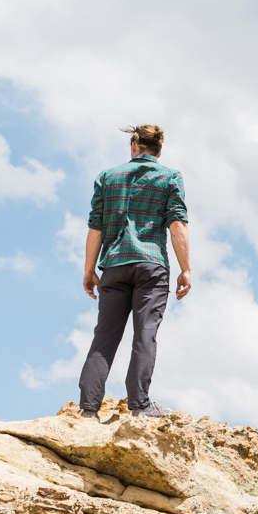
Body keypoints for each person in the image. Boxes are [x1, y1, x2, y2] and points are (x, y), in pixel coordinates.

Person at [76, 124, 192, 419]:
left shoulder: (107, 177)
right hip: (151, 265)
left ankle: (88, 410)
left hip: (114, 265)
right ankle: (139, 405)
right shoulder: (170, 177)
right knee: (145, 334)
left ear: (133, 145)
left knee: (104, 337)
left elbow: (96, 226)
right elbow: (177, 223)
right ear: (159, 150)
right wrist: (185, 269)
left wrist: (89, 269)